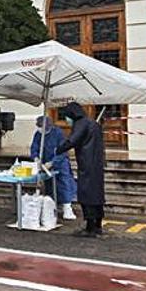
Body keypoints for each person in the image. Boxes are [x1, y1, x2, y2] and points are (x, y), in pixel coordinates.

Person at [55, 102, 106, 238]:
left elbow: (72, 141)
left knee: (86, 195)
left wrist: (58, 149)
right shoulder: (93, 123)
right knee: (97, 195)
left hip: (87, 165)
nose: (67, 120)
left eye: (67, 116)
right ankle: (98, 226)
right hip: (97, 164)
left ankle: (90, 228)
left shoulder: (80, 124)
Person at [29, 115, 78, 221]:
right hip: (44, 163)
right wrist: (36, 158)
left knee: (64, 183)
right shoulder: (38, 134)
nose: (41, 130)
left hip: (60, 163)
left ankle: (67, 208)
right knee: (49, 185)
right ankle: (52, 207)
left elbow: (63, 150)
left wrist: (52, 162)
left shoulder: (58, 133)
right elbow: (34, 148)